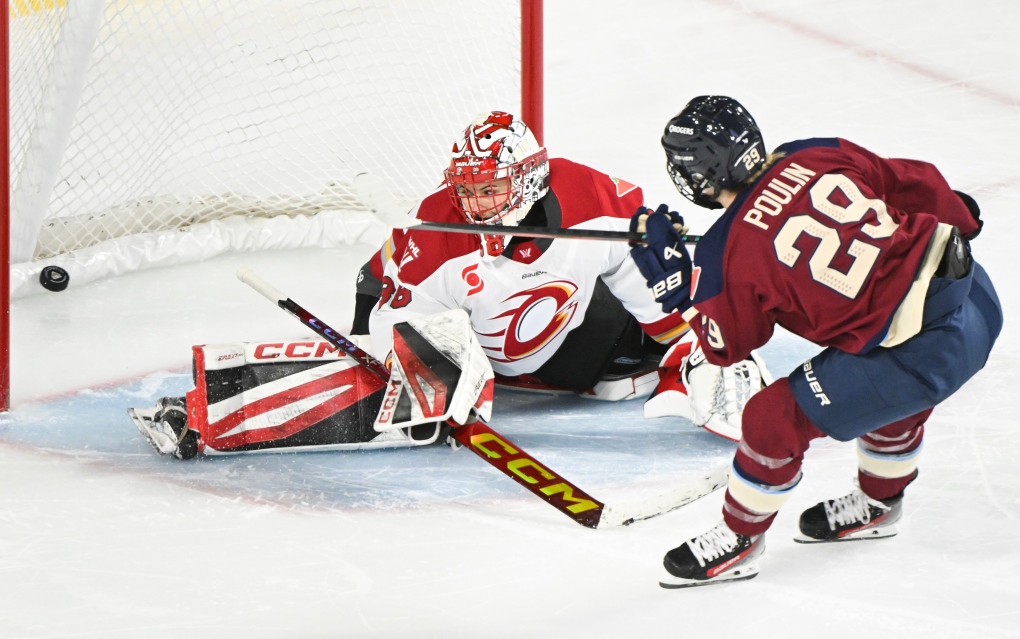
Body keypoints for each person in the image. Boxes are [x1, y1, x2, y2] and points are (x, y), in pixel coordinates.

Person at [132, 109, 766, 460]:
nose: (472, 202)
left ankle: (729, 380)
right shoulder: (436, 237)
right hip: (457, 329)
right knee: (402, 398)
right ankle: (213, 413)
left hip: (565, 332)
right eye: (465, 189)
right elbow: (383, 324)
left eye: (487, 189)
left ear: (526, 181)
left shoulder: (591, 197)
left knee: (665, 277)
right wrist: (440, 365)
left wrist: (690, 346)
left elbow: (643, 278)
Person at [629, 96, 1001, 588]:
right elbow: (919, 182)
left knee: (771, 419)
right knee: (877, 381)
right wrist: (963, 217)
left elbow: (726, 346)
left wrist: (679, 290)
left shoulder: (725, 254)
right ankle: (878, 504)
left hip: (924, 358)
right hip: (977, 301)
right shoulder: (814, 153)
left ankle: (739, 540)